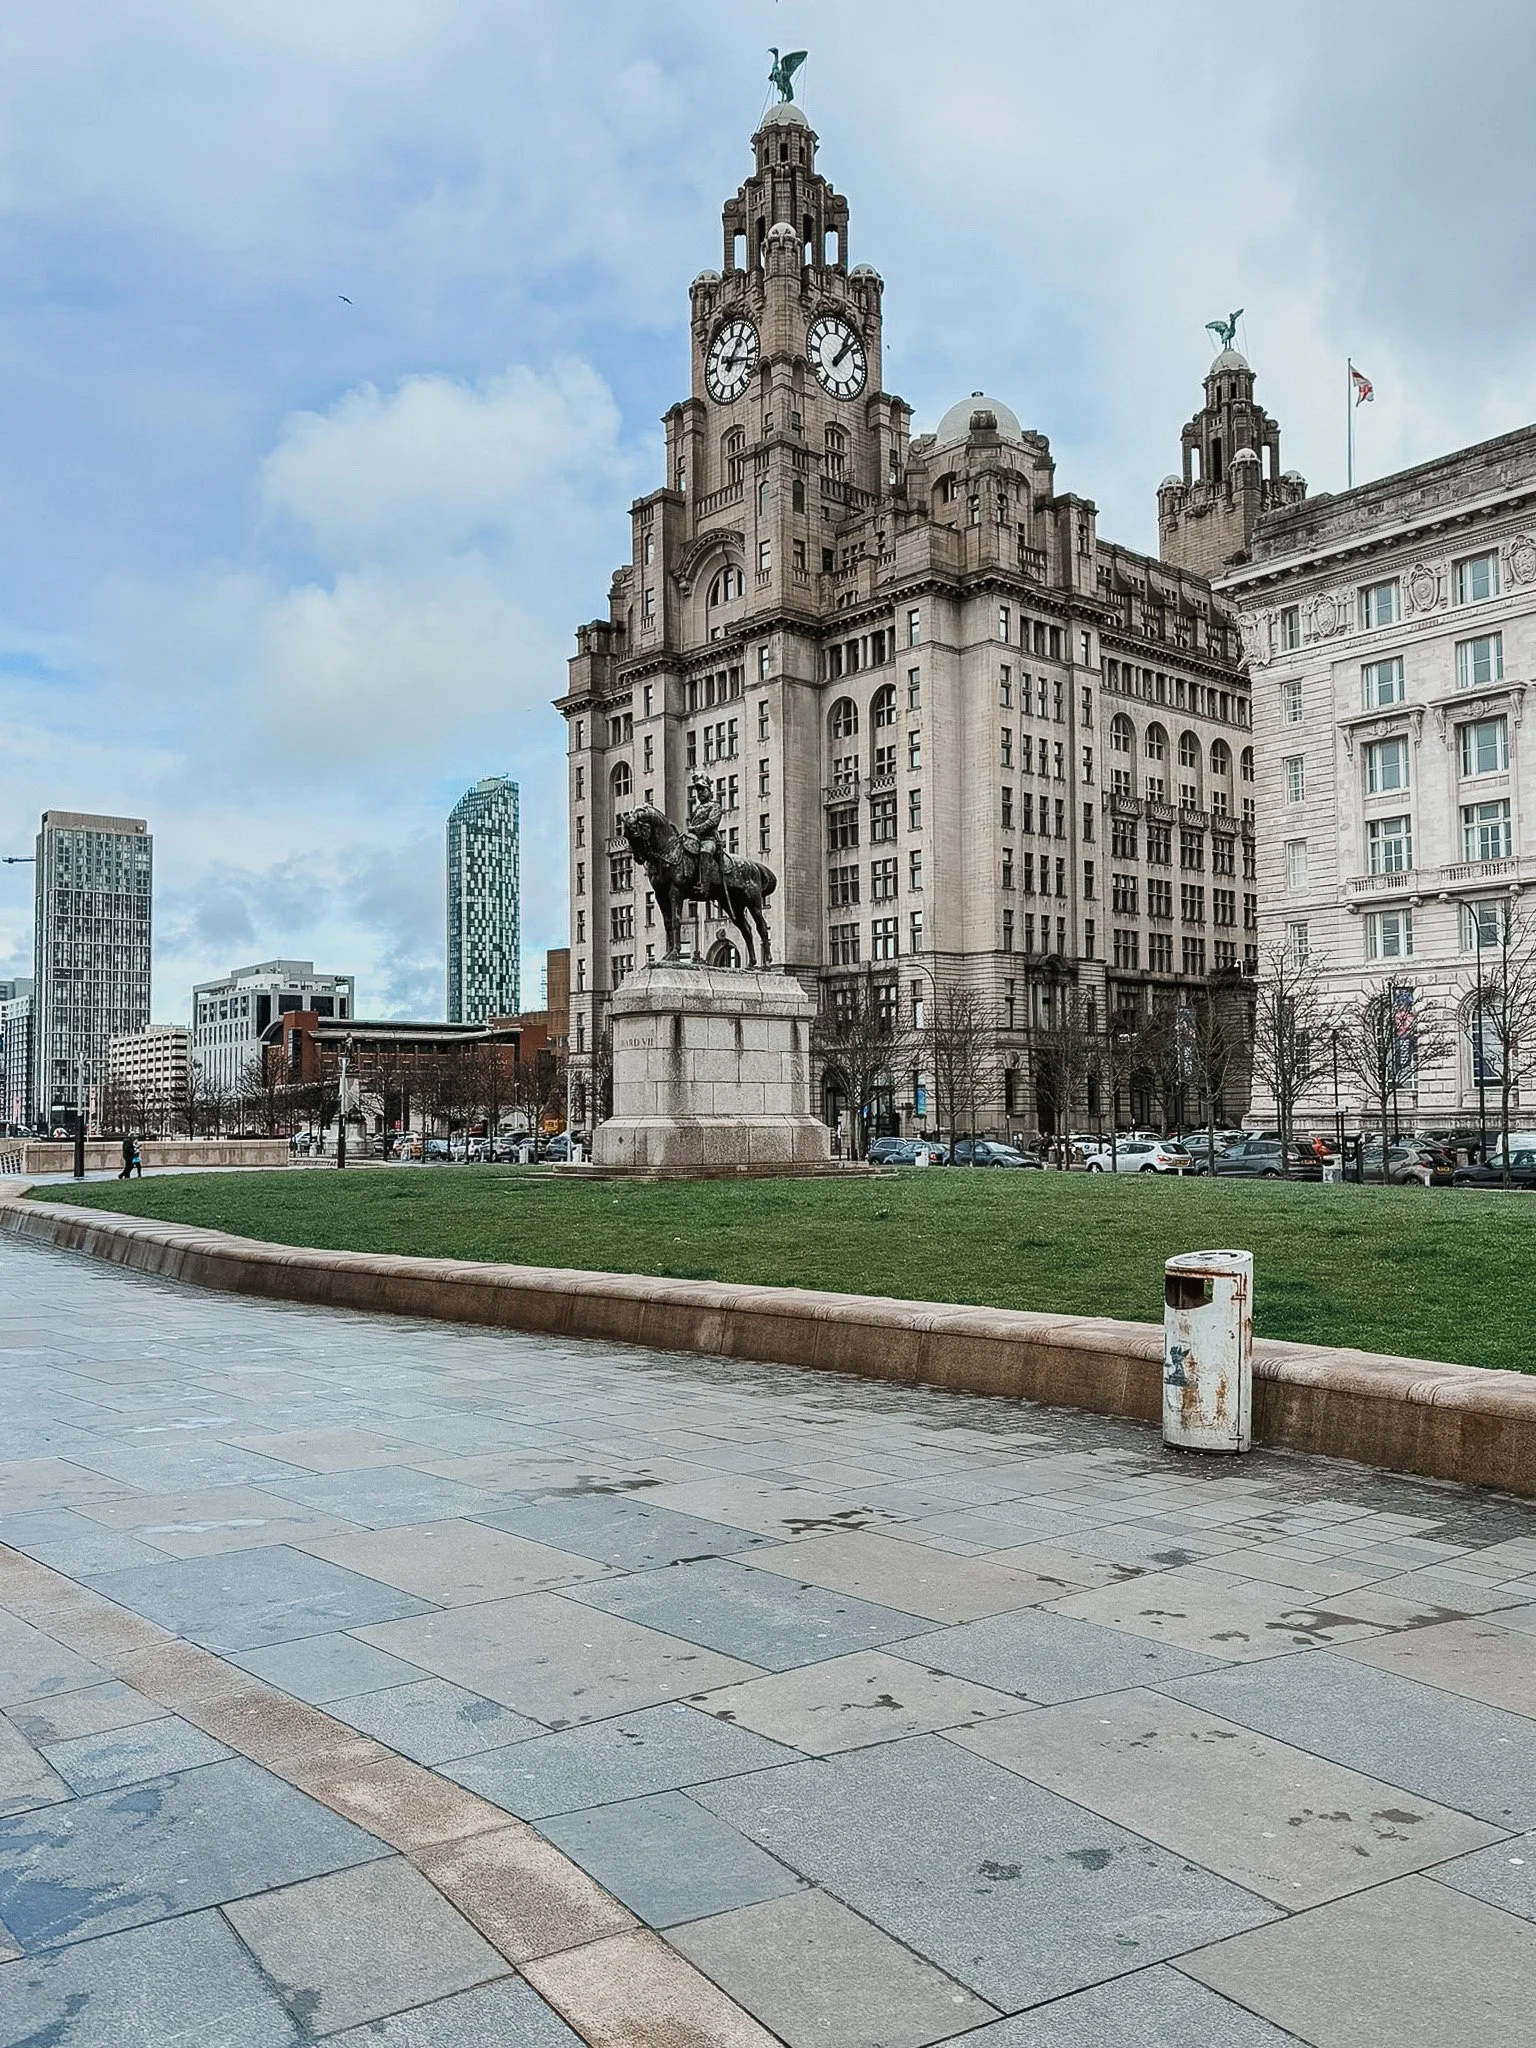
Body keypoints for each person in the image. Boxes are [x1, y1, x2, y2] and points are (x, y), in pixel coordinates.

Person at [681, 771, 725, 899]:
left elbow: (712, 822)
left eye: (702, 790)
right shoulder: (697, 809)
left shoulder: (715, 806)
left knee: (705, 852)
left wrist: (695, 829)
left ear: (709, 790)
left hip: (709, 839)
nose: (699, 793)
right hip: (696, 839)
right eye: (698, 790)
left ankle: (704, 885)